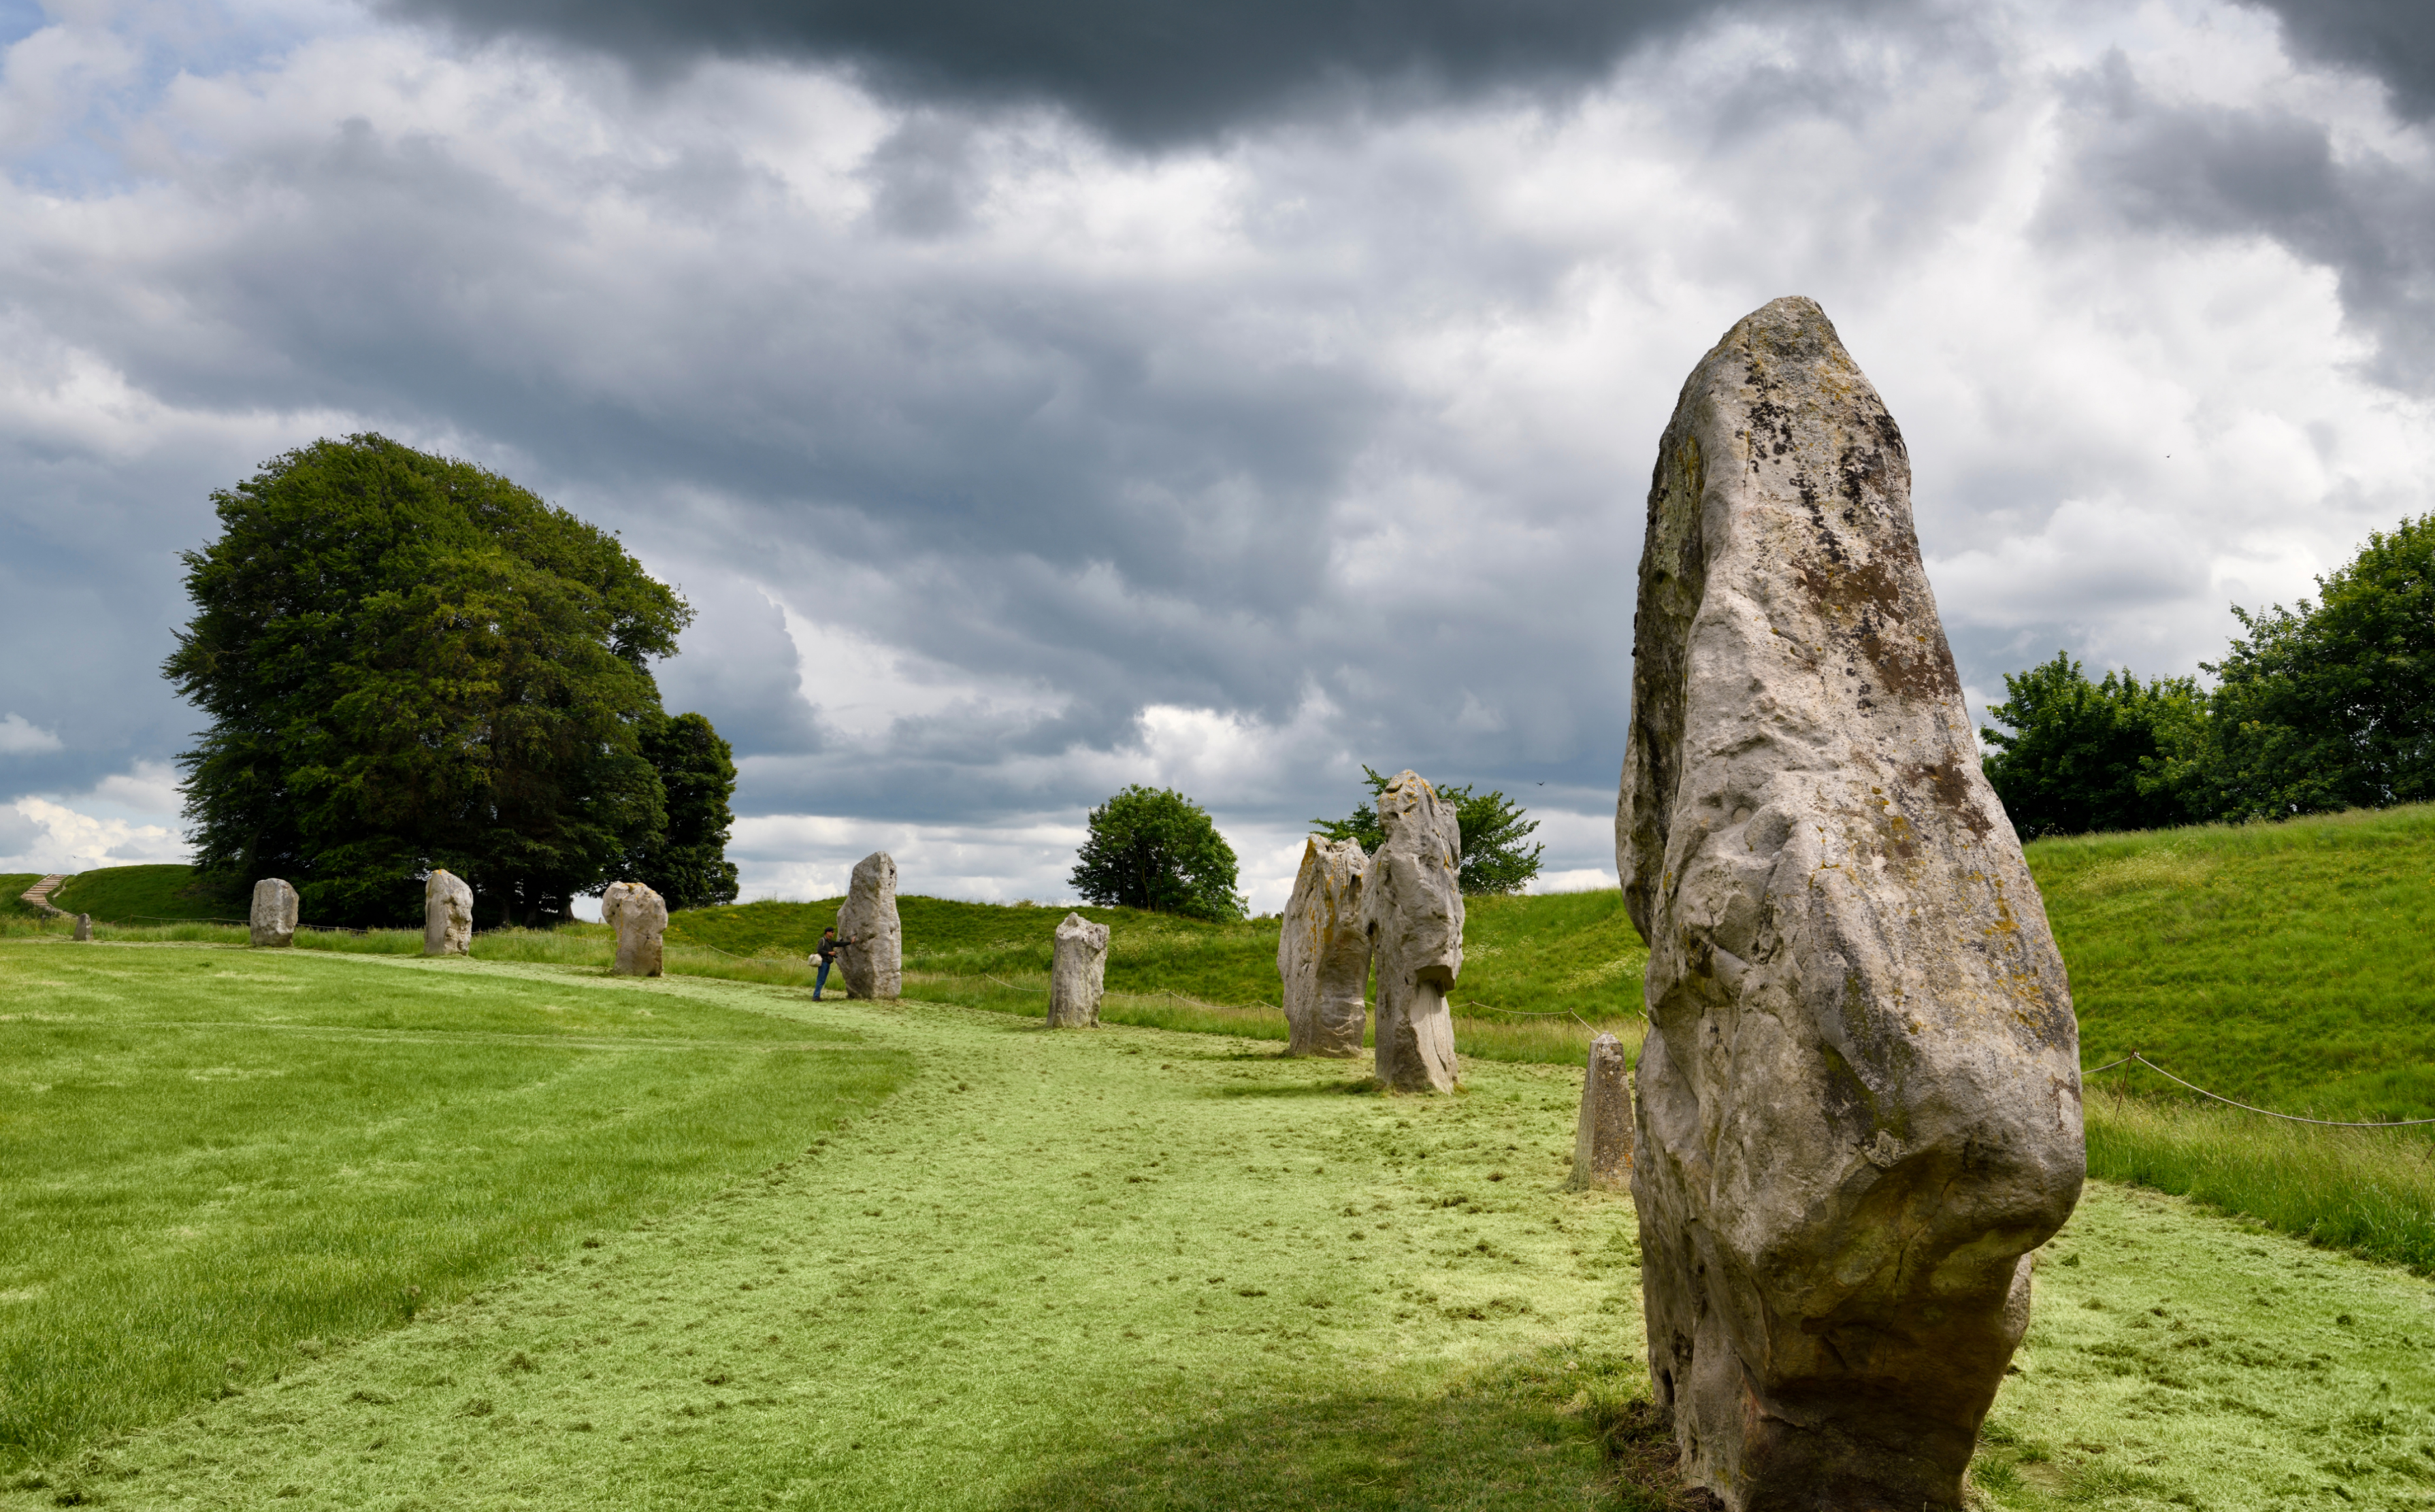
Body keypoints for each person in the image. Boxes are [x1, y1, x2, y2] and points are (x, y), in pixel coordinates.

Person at [810, 926, 853, 1000]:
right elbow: (819, 950)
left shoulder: (831, 942)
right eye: (832, 932)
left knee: (822, 980)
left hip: (827, 963)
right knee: (820, 980)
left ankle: (816, 996)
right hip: (823, 963)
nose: (833, 933)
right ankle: (816, 997)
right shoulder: (822, 941)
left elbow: (840, 944)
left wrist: (850, 942)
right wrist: (830, 953)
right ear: (828, 932)